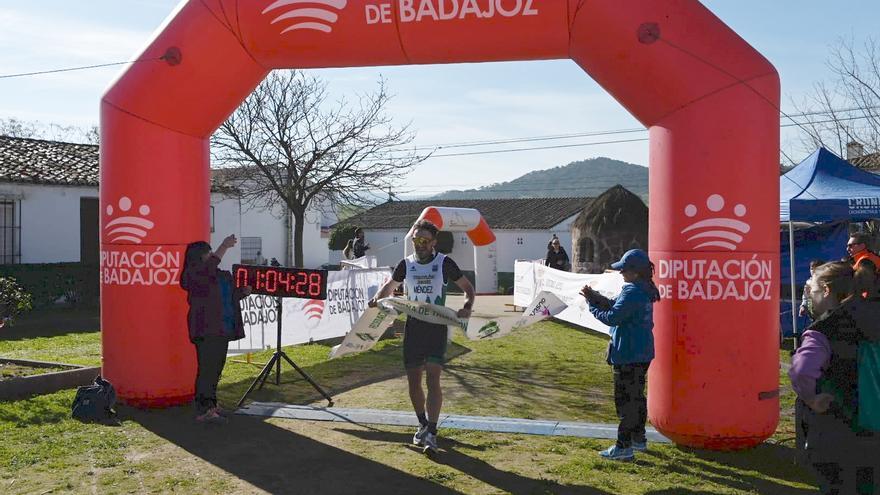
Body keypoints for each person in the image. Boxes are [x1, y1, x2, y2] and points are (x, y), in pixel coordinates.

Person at [369, 220, 475, 454]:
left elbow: (468, 288)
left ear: (434, 242)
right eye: (417, 240)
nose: (420, 244)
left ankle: (433, 433)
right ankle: (422, 425)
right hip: (414, 328)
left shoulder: (444, 263)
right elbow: (389, 286)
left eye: (425, 240)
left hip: (436, 328)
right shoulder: (405, 264)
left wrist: (467, 306)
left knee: (433, 380)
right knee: (414, 382)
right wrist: (377, 298)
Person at [789, 261, 880, 494]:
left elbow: (802, 371)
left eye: (813, 291)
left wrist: (811, 398)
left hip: (839, 434)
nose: (811, 297)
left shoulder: (826, 328)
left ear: (827, 290)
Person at [580, 249, 660, 461]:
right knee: (637, 397)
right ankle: (638, 439)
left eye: (624, 269)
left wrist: (591, 305)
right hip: (642, 352)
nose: (621, 273)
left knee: (626, 402)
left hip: (627, 353)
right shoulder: (645, 289)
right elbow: (617, 306)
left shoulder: (632, 291)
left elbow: (613, 317)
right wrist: (596, 297)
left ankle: (623, 446)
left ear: (634, 272)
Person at [180, 234, 251, 424]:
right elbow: (207, 269)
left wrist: (242, 293)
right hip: (205, 329)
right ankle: (204, 409)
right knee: (207, 369)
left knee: (216, 369)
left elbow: (229, 296)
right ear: (199, 256)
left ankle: (212, 405)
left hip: (223, 328)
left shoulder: (219, 275)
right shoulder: (193, 276)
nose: (212, 256)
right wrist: (223, 246)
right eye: (208, 253)